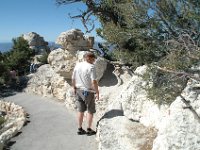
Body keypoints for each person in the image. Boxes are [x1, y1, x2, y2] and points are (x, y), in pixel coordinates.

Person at [72, 52, 99, 136]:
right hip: (88, 91)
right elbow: (94, 81)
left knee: (80, 111)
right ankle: (89, 129)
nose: (94, 61)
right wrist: (97, 91)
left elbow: (73, 77)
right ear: (89, 58)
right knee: (90, 111)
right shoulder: (91, 67)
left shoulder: (78, 65)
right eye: (93, 59)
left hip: (78, 90)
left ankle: (80, 129)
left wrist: (73, 87)